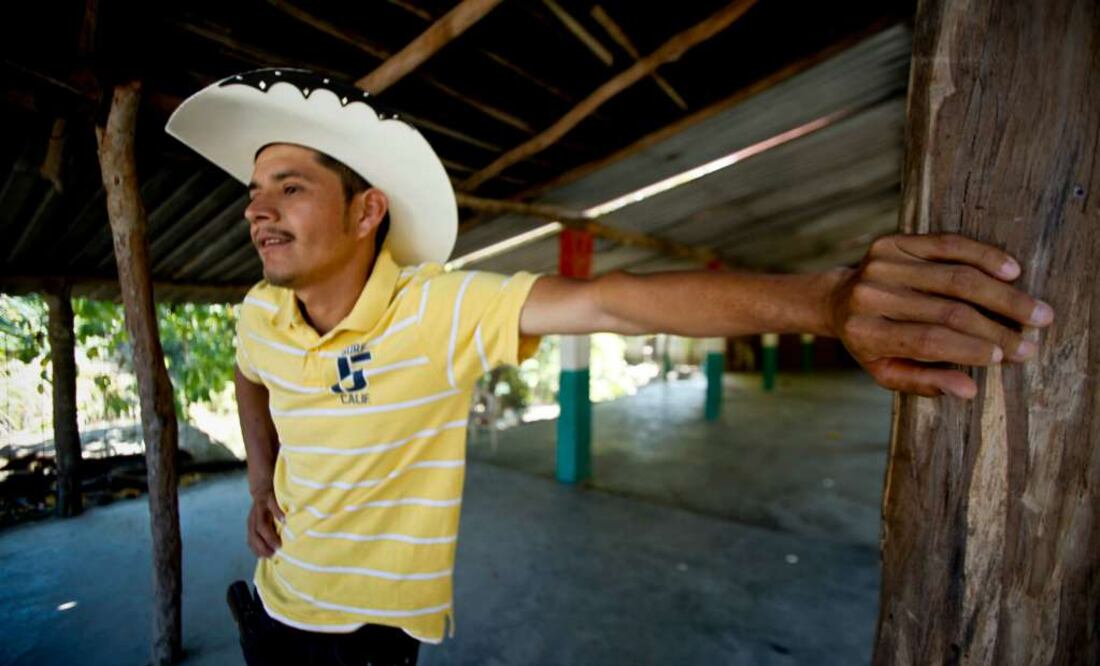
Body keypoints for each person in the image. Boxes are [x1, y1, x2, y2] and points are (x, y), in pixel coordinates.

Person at [166, 68, 1053, 665]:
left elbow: (611, 300)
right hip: (274, 601)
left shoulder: (433, 309)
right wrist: (259, 480)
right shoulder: (256, 312)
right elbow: (252, 375)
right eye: (253, 194)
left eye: (289, 185)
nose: (259, 211)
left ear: (367, 212)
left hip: (366, 635)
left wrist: (824, 303)